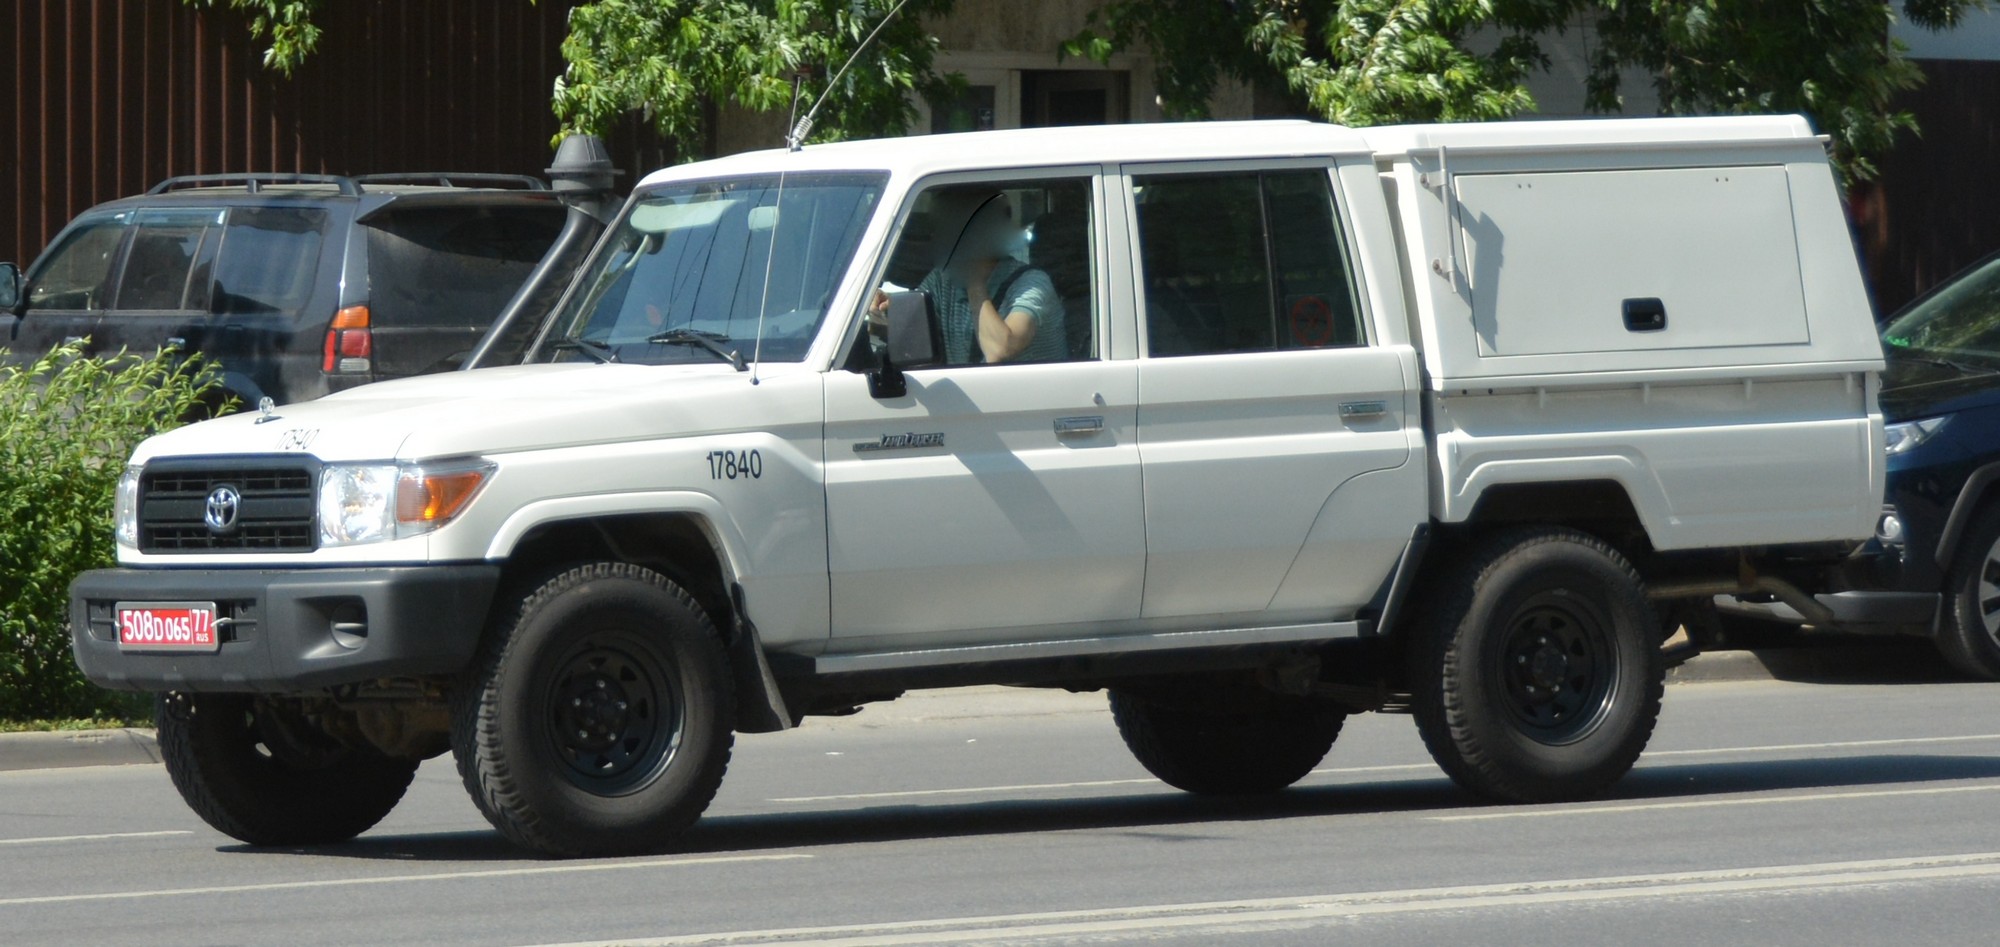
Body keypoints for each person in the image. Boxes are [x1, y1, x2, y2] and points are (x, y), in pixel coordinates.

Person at [874, 191, 1066, 364]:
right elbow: (915, 330)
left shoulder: (1032, 283)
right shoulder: (943, 280)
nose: (936, 238)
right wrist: (888, 310)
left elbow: (999, 350)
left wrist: (974, 281)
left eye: (948, 227)